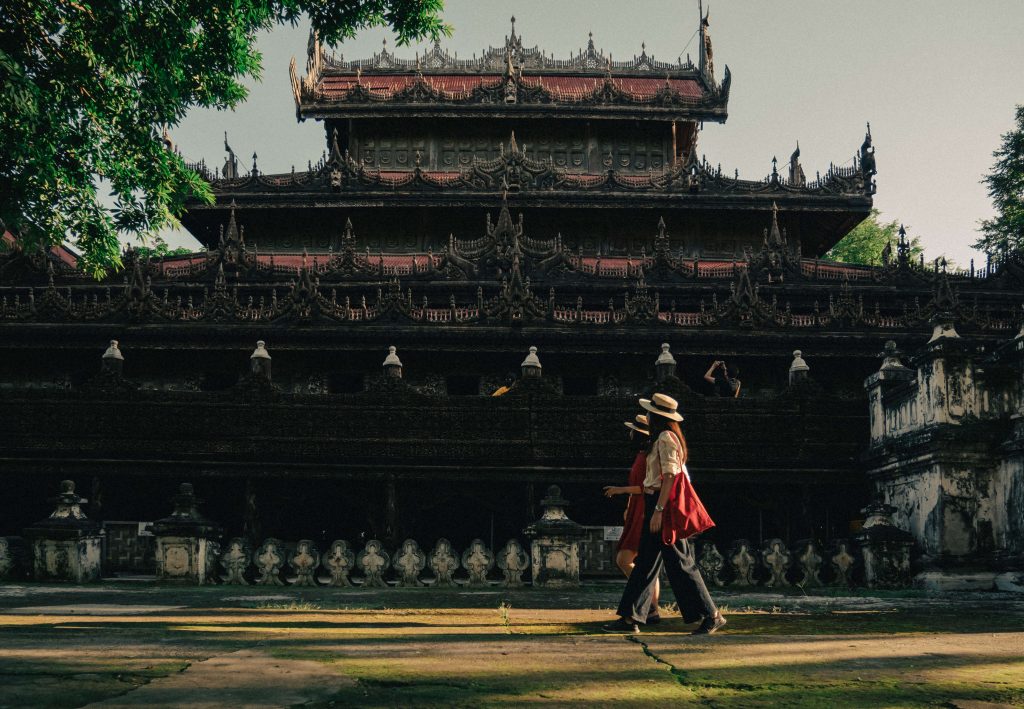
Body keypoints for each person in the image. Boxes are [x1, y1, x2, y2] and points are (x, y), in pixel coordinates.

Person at [603, 393, 726, 635]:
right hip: (655, 503)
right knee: (645, 565)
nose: (646, 416)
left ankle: (712, 615)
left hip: (663, 506)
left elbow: (670, 477)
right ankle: (630, 618)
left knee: (681, 563)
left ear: (657, 416)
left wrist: (658, 511)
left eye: (649, 413)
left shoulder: (666, 438)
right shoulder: (659, 438)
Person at [603, 414, 661, 623]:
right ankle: (651, 608)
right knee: (638, 563)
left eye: (632, 431)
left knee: (626, 560)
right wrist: (629, 504)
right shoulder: (641, 455)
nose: (629, 433)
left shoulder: (649, 457)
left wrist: (620, 490)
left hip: (645, 510)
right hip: (637, 508)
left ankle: (649, 606)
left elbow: (649, 487)